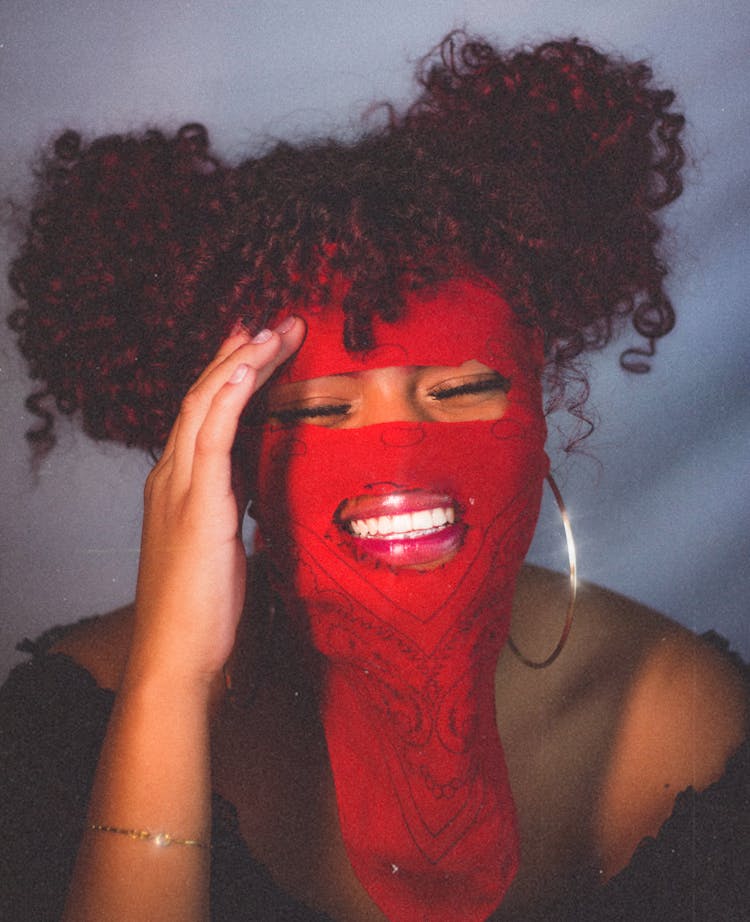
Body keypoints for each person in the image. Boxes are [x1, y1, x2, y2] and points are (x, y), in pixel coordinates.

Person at [1, 32, 747, 922]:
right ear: (228, 444)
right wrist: (170, 687)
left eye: (462, 390)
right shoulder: (67, 722)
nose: (399, 456)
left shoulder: (682, 723)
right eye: (319, 409)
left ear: (540, 412)